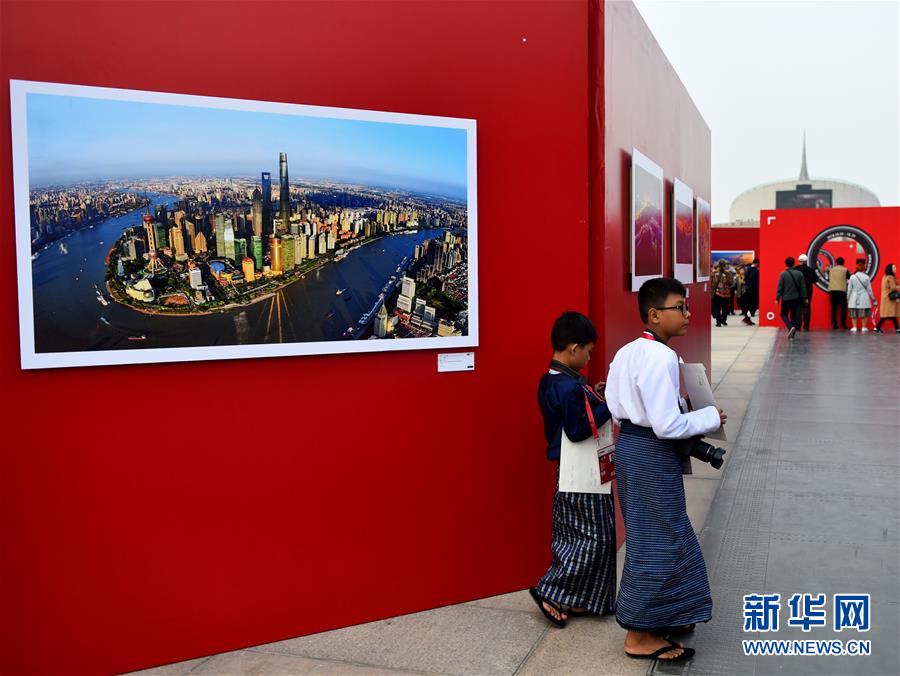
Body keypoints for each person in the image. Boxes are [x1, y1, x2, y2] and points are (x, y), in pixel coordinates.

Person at [605, 278, 726, 664]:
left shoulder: (628, 351)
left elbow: (615, 403)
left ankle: (666, 615)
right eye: (680, 307)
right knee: (659, 540)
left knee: (658, 534)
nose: (688, 313)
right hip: (651, 453)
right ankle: (638, 634)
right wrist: (709, 416)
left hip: (633, 449)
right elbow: (667, 426)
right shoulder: (658, 357)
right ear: (655, 314)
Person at [529, 311, 616, 628]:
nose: (590, 358)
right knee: (594, 537)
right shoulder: (567, 387)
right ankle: (550, 590)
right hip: (580, 471)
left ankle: (587, 599)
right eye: (589, 351)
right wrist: (613, 403)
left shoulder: (553, 380)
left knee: (582, 534)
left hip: (570, 470)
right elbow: (579, 430)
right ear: (574, 348)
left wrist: (597, 397)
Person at [775, 256, 807, 340]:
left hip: (786, 298)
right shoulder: (799, 274)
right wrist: (805, 297)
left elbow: (780, 287)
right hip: (796, 299)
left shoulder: (783, 274)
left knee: (783, 314)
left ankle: (790, 327)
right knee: (794, 315)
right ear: (794, 263)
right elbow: (803, 287)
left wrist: (777, 298)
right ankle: (792, 334)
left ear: (786, 264)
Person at [847, 259, 876, 332]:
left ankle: (854, 327)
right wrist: (873, 299)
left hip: (854, 297)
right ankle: (864, 327)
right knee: (864, 313)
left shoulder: (852, 277)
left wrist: (848, 298)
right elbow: (869, 290)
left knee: (854, 313)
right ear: (864, 268)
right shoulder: (866, 277)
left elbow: (849, 289)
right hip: (864, 296)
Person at [794, 253, 818, 331]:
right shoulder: (810, 270)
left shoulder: (795, 269)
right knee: (807, 309)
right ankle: (806, 326)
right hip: (808, 292)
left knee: (798, 309)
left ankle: (797, 326)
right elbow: (816, 280)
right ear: (806, 261)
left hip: (797, 292)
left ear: (798, 261)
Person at [874, 263, 899, 334]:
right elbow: (893, 288)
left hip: (886, 298)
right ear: (890, 269)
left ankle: (897, 329)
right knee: (887, 315)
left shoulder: (885, 276)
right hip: (889, 299)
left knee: (891, 314)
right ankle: (877, 328)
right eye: (894, 268)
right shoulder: (890, 277)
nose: (895, 269)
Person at [827, 257, 850, 329]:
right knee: (843, 308)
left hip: (832, 290)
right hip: (842, 290)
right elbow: (849, 278)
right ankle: (843, 324)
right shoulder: (845, 270)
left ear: (836, 262)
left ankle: (834, 324)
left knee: (833, 308)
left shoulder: (831, 270)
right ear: (843, 262)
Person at [711, 260, 733, 327]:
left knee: (717, 307)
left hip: (717, 292)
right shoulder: (728, 273)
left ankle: (718, 322)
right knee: (725, 307)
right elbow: (731, 283)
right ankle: (724, 320)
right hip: (726, 293)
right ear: (725, 265)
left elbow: (713, 283)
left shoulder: (715, 273)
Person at [742, 259, 760, 324]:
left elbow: (745, 279)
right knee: (754, 305)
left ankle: (747, 318)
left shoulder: (747, 270)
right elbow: (756, 282)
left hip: (747, 290)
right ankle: (747, 318)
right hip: (754, 291)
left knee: (749, 305)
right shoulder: (756, 271)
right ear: (757, 263)